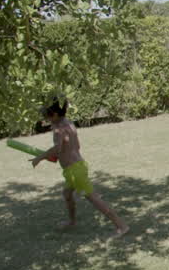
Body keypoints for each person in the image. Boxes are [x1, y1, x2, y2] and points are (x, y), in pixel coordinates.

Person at [31, 99, 129, 237]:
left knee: (94, 199)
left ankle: (122, 226)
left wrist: (40, 157)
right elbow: (74, 146)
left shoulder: (59, 129)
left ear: (54, 115)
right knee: (67, 194)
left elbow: (57, 148)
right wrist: (57, 156)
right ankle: (72, 222)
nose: (45, 119)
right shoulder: (68, 123)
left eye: (46, 116)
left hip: (75, 171)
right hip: (77, 167)